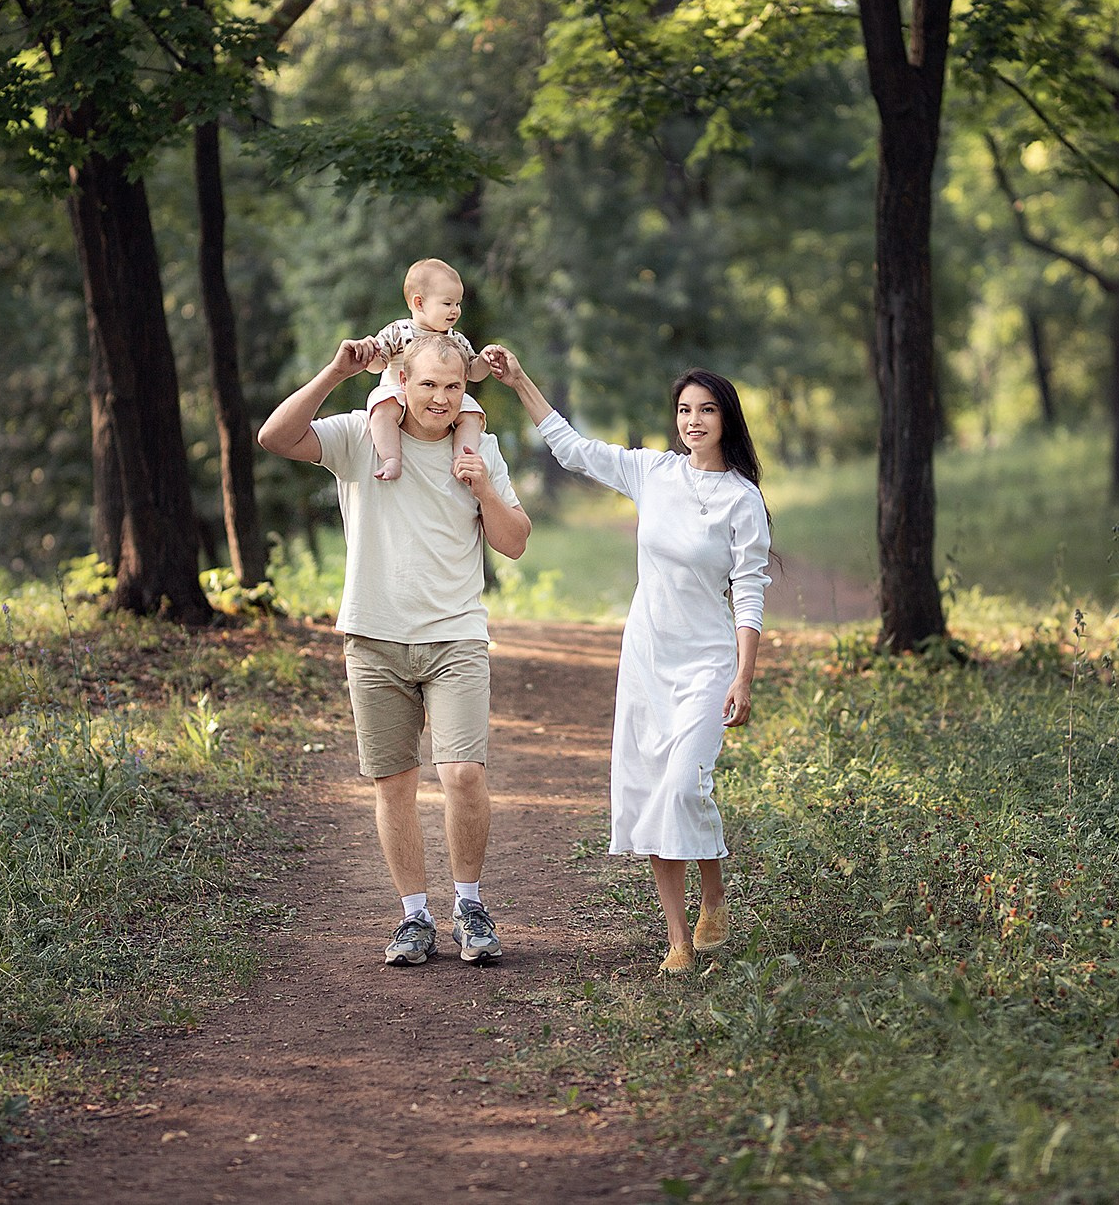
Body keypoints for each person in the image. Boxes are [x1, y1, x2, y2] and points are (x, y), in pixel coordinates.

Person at [484, 345, 771, 975]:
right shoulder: (651, 472)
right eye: (684, 410)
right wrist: (521, 379)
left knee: (684, 785)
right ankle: (679, 940)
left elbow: (749, 589)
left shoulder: (742, 500)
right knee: (652, 792)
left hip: (707, 662)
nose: (693, 420)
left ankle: (714, 894)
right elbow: (572, 448)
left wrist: (744, 676)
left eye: (707, 410)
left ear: (727, 417)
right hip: (646, 657)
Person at [257, 332, 531, 967]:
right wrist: (334, 373)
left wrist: (485, 490)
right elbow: (274, 437)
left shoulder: (479, 448)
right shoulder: (362, 436)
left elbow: (515, 542)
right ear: (402, 383)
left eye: (453, 387)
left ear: (466, 391)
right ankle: (414, 917)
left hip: (455, 635)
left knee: (463, 773)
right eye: (428, 384)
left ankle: (470, 907)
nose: (441, 398)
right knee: (394, 783)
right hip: (374, 637)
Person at [363, 258, 490, 481]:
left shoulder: (456, 339)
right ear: (419, 303)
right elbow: (377, 365)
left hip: (443, 396)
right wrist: (369, 354)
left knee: (471, 414)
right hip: (397, 392)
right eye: (447, 303)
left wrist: (486, 360)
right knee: (382, 410)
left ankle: (463, 460)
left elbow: (473, 372)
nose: (455, 311)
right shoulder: (399, 331)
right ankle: (391, 459)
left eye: (458, 304)